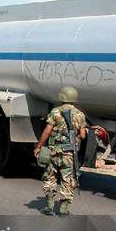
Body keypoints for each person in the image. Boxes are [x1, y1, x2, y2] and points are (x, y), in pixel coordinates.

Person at [34, 86, 87, 216]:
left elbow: (47, 131)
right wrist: (75, 138)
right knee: (67, 179)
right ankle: (63, 209)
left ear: (62, 97)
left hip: (54, 152)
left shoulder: (55, 112)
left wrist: (39, 146)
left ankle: (49, 207)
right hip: (69, 154)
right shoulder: (80, 115)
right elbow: (83, 135)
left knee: (50, 178)